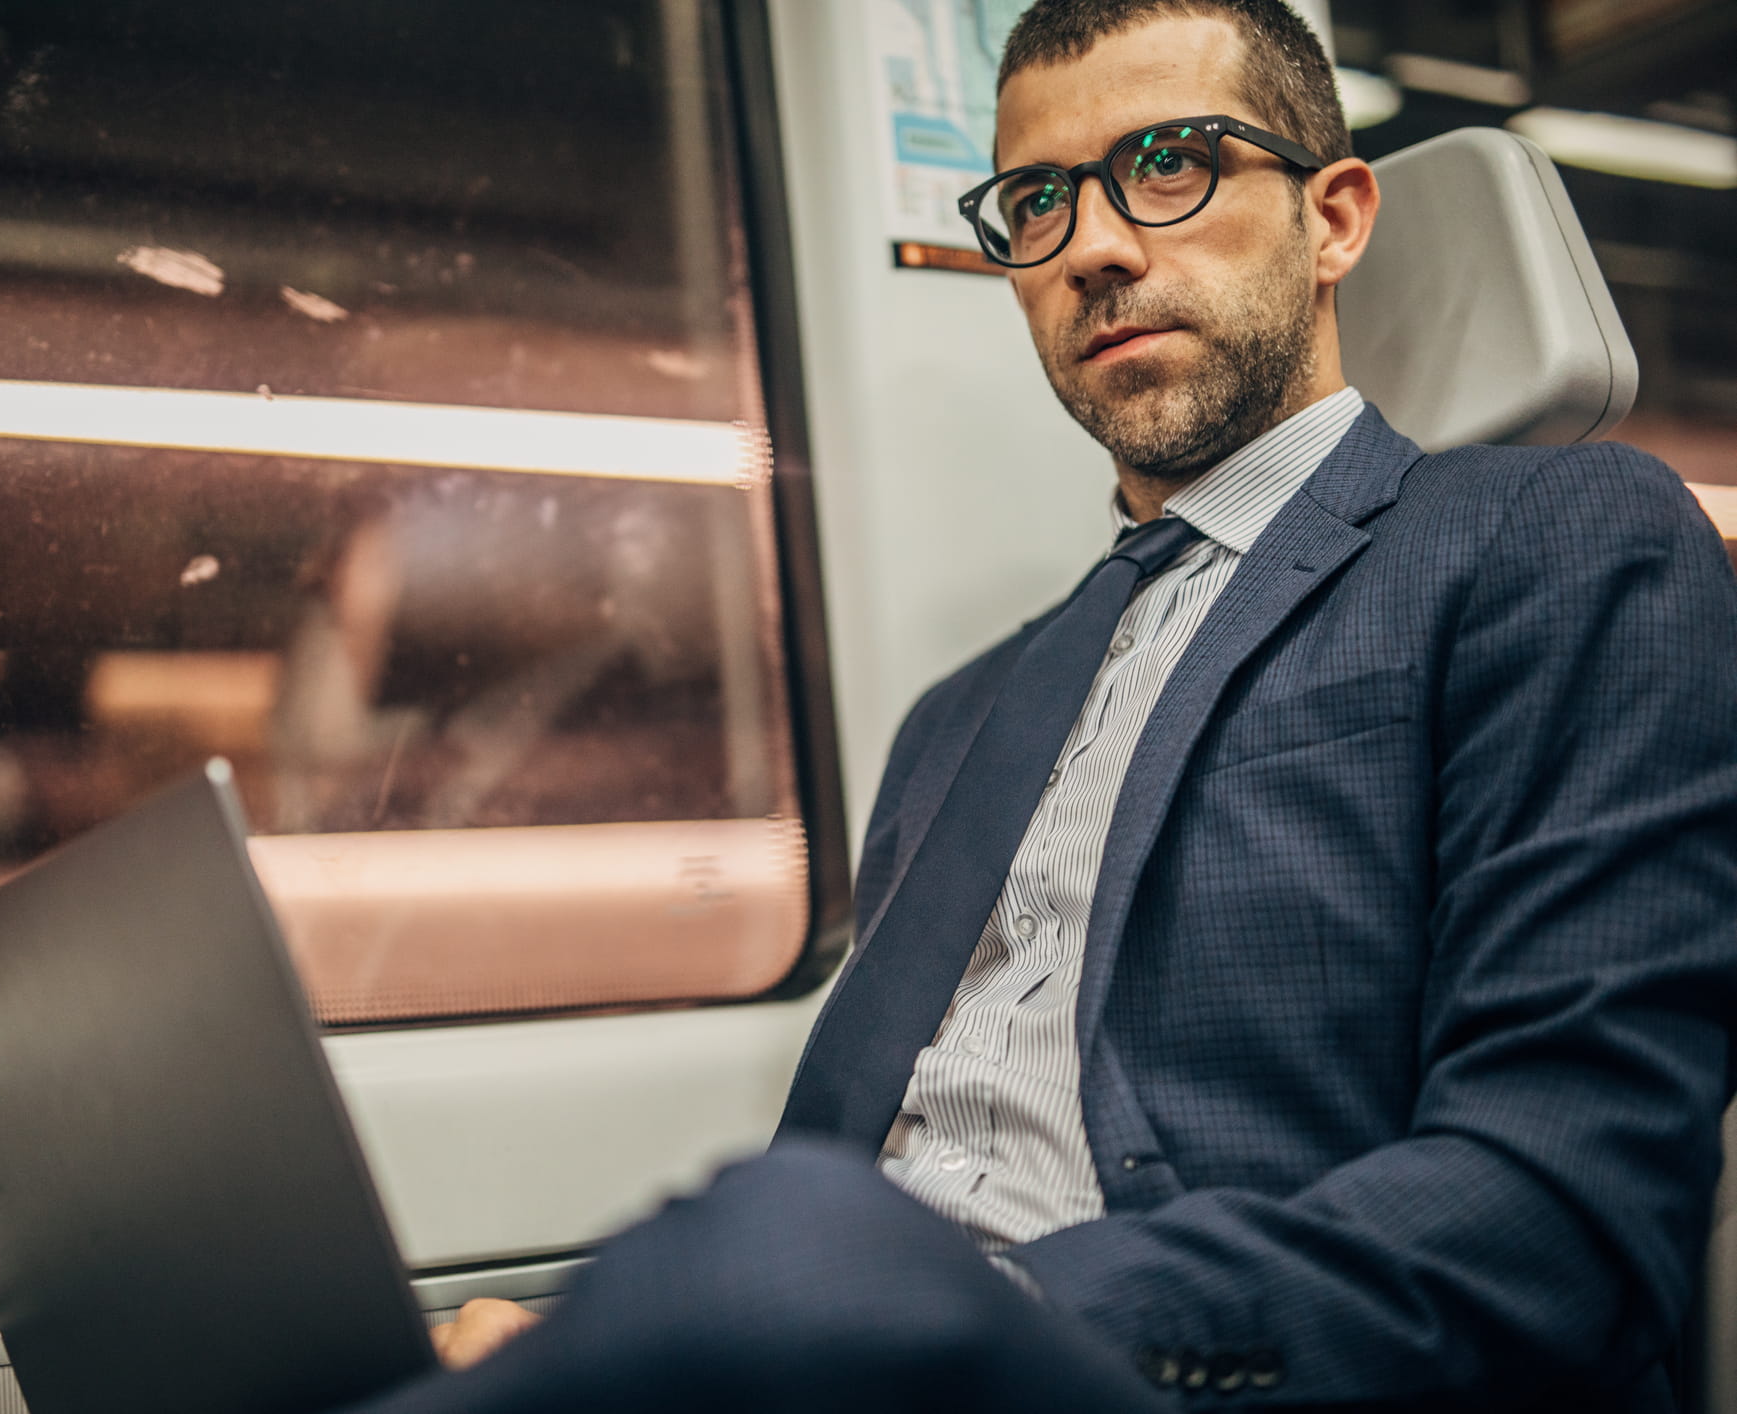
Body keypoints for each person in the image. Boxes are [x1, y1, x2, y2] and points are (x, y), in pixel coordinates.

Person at [361, 0, 1737, 1408]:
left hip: (1159, 1356)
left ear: (1331, 220)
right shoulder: (963, 715)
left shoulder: (1546, 540)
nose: (1092, 246)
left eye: (1170, 163)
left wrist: (964, 1301)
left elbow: (1559, 1200)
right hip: (860, 1341)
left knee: (773, 1240)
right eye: (1036, 199)